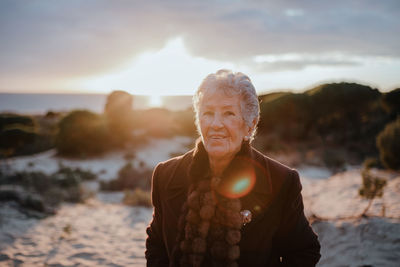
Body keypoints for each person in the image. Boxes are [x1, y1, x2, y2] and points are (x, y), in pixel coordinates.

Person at [145, 70, 321, 266]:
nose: (216, 124)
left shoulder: (281, 181)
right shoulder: (166, 174)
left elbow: (305, 251)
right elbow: (156, 243)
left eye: (228, 113)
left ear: (250, 125)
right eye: (208, 113)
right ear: (198, 120)